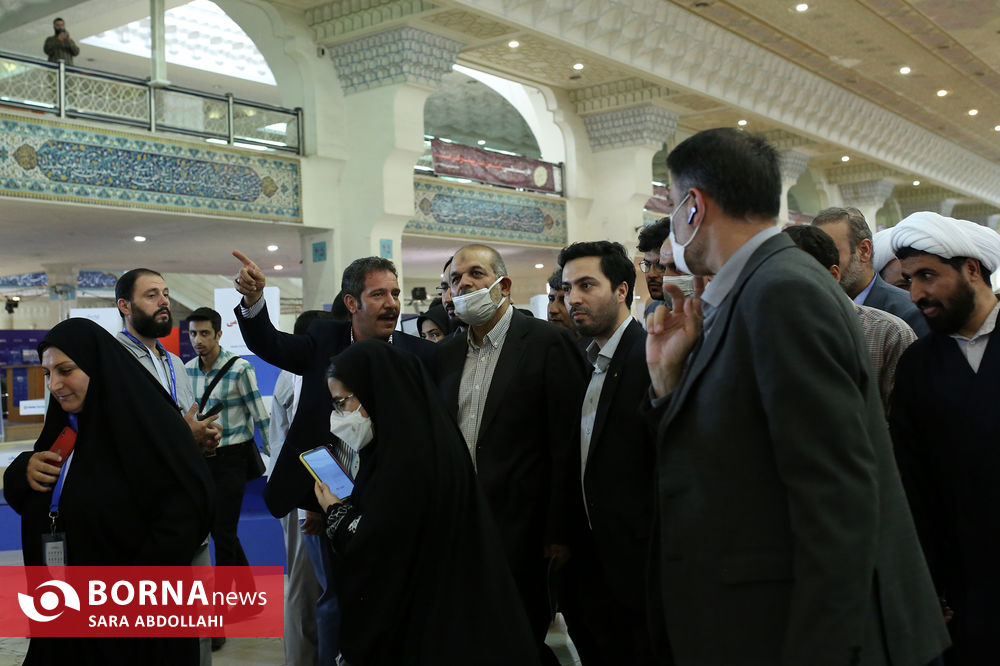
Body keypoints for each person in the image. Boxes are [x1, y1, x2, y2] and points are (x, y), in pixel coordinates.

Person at [644, 127, 948, 665]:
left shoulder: (782, 290)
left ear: (693, 207)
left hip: (803, 630)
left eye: (670, 205)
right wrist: (670, 380)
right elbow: (735, 454)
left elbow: (836, 493)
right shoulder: (749, 291)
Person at [313, 340, 540, 666]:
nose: (339, 416)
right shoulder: (423, 440)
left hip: (425, 628)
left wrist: (336, 512)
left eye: (342, 402)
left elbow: (379, 544)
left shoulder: (407, 462)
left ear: (376, 393)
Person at [3, 318, 213, 665]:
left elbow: (185, 511)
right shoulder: (64, 432)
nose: (54, 384)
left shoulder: (146, 435)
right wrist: (22, 471)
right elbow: (32, 496)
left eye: (66, 371)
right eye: (47, 373)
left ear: (97, 368)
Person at [434, 243, 586, 666]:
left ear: (503, 285)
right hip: (461, 526)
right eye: (455, 279)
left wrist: (559, 529)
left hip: (524, 528)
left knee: (519, 639)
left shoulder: (547, 343)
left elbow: (566, 443)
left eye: (475, 274)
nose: (464, 284)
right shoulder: (446, 354)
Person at [889, 211, 1000, 665]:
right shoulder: (918, 364)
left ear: (971, 269)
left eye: (928, 276)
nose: (916, 294)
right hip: (962, 582)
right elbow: (911, 481)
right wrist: (928, 584)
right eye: (910, 280)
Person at [557, 241, 657, 665]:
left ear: (621, 290)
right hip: (592, 564)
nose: (573, 299)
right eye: (567, 288)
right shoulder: (584, 359)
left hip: (640, 567)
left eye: (586, 285)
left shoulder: (649, 356)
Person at [113, 267, 218, 663]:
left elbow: (182, 423)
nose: (164, 302)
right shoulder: (112, 362)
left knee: (197, 626)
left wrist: (201, 439)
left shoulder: (174, 362)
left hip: (189, 506)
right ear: (125, 306)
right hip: (146, 516)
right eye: (151, 295)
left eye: (166, 293)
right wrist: (180, 437)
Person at [784, 225, 917, 413]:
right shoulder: (763, 334)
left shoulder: (888, 334)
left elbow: (905, 420)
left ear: (832, 276)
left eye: (795, 276)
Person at [185, 308, 270, 597]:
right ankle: (248, 598)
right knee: (222, 531)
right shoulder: (187, 370)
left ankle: (221, 607)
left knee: (222, 533)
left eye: (204, 333)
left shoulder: (239, 368)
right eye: (193, 334)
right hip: (201, 460)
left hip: (233, 458)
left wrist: (276, 455)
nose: (198, 340)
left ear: (219, 334)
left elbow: (260, 414)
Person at [268, 310, 333, 666]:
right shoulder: (300, 376)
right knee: (304, 586)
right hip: (303, 496)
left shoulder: (299, 374)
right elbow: (306, 448)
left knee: (313, 585)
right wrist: (311, 502)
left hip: (307, 493)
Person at [813, 207, 929, 336]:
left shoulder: (909, 313)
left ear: (864, 251)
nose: (819, 263)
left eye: (829, 252)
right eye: (814, 254)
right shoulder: (812, 312)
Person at [636, 218, 671, 318]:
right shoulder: (652, 310)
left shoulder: (703, 312)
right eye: (647, 265)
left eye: (660, 266)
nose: (651, 274)